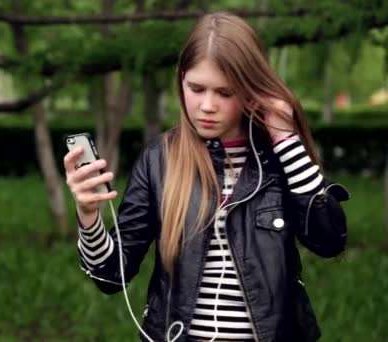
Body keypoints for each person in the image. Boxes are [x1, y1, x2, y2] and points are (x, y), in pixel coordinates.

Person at [62, 11, 350, 342]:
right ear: (181, 79)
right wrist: (89, 218)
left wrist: (285, 138)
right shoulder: (160, 160)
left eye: (225, 93)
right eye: (196, 88)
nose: (207, 105)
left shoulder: (278, 158)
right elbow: (111, 277)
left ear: (250, 89)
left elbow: (329, 240)